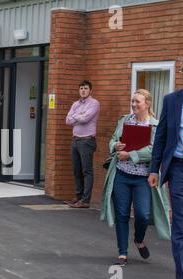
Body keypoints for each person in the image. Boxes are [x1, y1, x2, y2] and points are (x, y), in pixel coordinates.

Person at [101, 89, 170, 267]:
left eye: (137, 102)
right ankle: (122, 253)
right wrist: (115, 145)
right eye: (132, 101)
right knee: (122, 214)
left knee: (143, 214)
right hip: (121, 175)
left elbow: (155, 150)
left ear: (147, 104)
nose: (134, 105)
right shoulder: (125, 120)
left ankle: (139, 239)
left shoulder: (154, 125)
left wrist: (130, 154)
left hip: (143, 178)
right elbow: (113, 139)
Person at [148, 55, 183, 279]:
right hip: (178, 169)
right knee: (182, 224)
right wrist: (155, 169)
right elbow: (161, 138)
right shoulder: (172, 100)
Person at [65, 80, 100, 208]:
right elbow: (68, 120)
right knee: (76, 170)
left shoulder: (94, 103)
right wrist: (79, 115)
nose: (83, 90)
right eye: (81, 88)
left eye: (85, 88)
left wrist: (76, 116)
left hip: (87, 141)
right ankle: (78, 197)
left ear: (90, 90)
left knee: (87, 171)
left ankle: (85, 200)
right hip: (75, 140)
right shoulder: (75, 104)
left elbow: (86, 119)